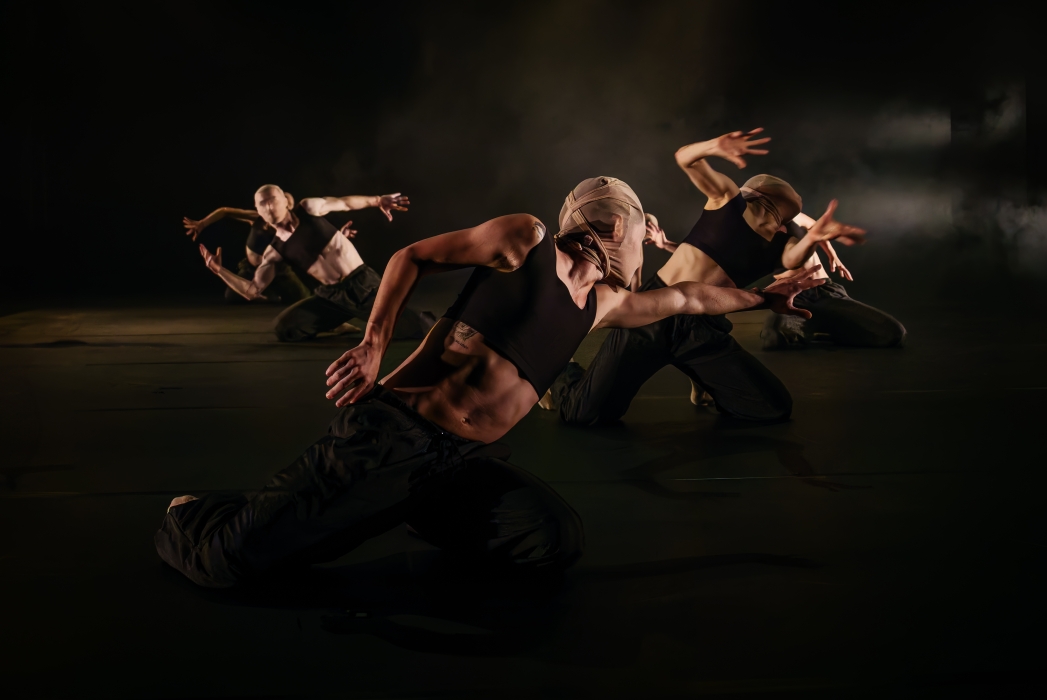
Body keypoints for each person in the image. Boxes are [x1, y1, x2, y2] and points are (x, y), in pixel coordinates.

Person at [157, 176, 824, 588]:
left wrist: (767, 298)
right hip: (391, 437)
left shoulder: (603, 304)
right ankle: (189, 513)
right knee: (232, 563)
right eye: (639, 234)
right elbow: (412, 255)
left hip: (456, 463)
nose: (646, 246)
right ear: (617, 227)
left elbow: (690, 299)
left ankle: (398, 509)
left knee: (548, 540)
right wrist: (374, 342)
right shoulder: (526, 240)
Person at [543, 129, 866, 425]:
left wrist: (814, 238)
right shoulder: (729, 202)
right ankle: (562, 374)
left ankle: (704, 378)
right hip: (655, 313)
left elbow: (794, 259)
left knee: (771, 407)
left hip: (703, 325)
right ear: (757, 196)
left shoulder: (785, 239)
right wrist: (714, 146)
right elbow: (686, 158)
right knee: (583, 415)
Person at [198, 185, 435, 342]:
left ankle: (439, 326)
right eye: (262, 203)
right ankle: (337, 323)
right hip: (330, 297)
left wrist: (377, 200)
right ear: (258, 211)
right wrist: (220, 271)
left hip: (360, 286)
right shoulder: (274, 251)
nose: (269, 205)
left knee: (415, 329)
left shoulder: (309, 209)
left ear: (286, 201)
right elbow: (252, 290)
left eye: (272, 199)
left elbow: (345, 203)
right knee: (286, 328)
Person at [645, 212, 907, 353]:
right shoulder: (748, 235)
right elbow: (703, 259)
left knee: (891, 335)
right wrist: (665, 244)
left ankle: (826, 326)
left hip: (822, 291)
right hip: (790, 298)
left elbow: (818, 229)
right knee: (773, 341)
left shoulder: (794, 217)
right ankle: (808, 325)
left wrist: (833, 255)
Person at [183, 205, 313, 305]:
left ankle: (273, 291)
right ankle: (266, 295)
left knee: (304, 298)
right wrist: (203, 223)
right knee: (232, 296)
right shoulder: (258, 218)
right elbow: (225, 211)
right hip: (251, 269)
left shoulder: (290, 228)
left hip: (279, 271)